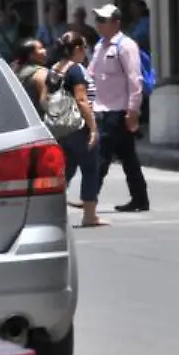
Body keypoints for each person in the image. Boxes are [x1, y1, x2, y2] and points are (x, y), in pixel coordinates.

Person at [88, 3, 149, 213]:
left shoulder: (126, 45)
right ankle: (140, 198)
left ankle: (90, 198)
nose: (99, 25)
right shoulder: (99, 46)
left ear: (116, 23)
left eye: (103, 21)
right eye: (97, 20)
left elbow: (135, 79)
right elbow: (92, 76)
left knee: (102, 155)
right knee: (128, 156)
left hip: (118, 109)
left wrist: (133, 110)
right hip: (102, 108)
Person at [51, 32, 108, 227]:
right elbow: (82, 100)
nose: (86, 52)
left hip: (61, 129)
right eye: (84, 48)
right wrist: (92, 128)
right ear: (76, 50)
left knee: (65, 171)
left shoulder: (54, 69)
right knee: (90, 169)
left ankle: (52, 213)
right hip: (79, 126)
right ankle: (90, 215)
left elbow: (45, 97)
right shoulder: (76, 70)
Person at [12, 37, 50, 113]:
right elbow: (45, 102)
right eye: (41, 48)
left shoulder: (12, 69)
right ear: (31, 55)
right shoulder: (41, 73)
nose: (45, 50)